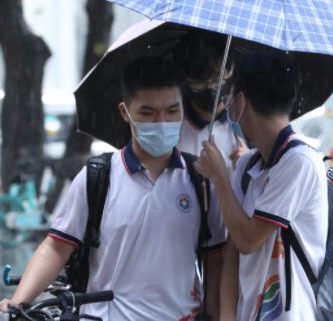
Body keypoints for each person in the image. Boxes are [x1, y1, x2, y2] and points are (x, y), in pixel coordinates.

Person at [0, 57, 226, 321]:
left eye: (172, 110)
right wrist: (17, 303)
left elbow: (216, 258)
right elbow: (57, 247)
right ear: (124, 112)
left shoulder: (201, 180)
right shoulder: (99, 177)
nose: (162, 121)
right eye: (147, 112)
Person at [194, 53, 329, 321]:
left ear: (241, 102)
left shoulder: (299, 162)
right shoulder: (247, 165)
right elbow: (232, 248)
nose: (229, 108)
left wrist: (220, 176)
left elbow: (248, 240)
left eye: (230, 99)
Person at [174, 30, 247, 170]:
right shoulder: (171, 127)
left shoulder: (246, 126)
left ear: (230, 68)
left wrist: (248, 166)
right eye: (199, 83)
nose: (210, 88)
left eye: (216, 79)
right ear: (185, 80)